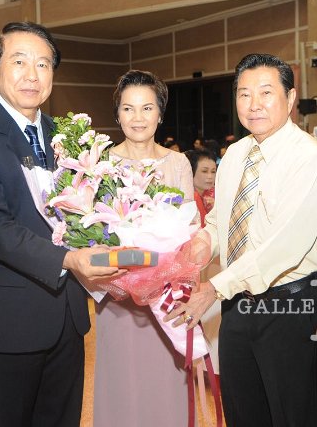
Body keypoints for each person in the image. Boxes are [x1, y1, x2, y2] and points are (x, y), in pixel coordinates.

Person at [0, 21, 119, 427]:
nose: (32, 75)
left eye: (43, 64)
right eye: (19, 61)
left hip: (68, 316)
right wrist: (69, 259)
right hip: (11, 317)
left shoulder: (67, 136)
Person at [166, 53, 317, 426]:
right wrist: (203, 243)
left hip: (288, 304)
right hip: (237, 300)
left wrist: (213, 288)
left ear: (290, 98)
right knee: (242, 409)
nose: (254, 104)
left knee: (289, 414)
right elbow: (221, 221)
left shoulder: (307, 158)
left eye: (266, 92)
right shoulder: (236, 154)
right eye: (244, 94)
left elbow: (285, 246)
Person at [93, 69, 194, 427]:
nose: (138, 117)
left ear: (160, 114)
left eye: (147, 108)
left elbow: (190, 226)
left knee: (165, 382)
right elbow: (92, 233)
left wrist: (173, 274)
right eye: (128, 108)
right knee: (122, 383)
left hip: (166, 294)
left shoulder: (177, 163)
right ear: (117, 114)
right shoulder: (101, 165)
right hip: (118, 290)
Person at [184, 149, 217, 227]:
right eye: (204, 171)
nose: (210, 176)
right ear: (191, 172)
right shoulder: (189, 197)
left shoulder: (216, 194)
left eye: (213, 171)